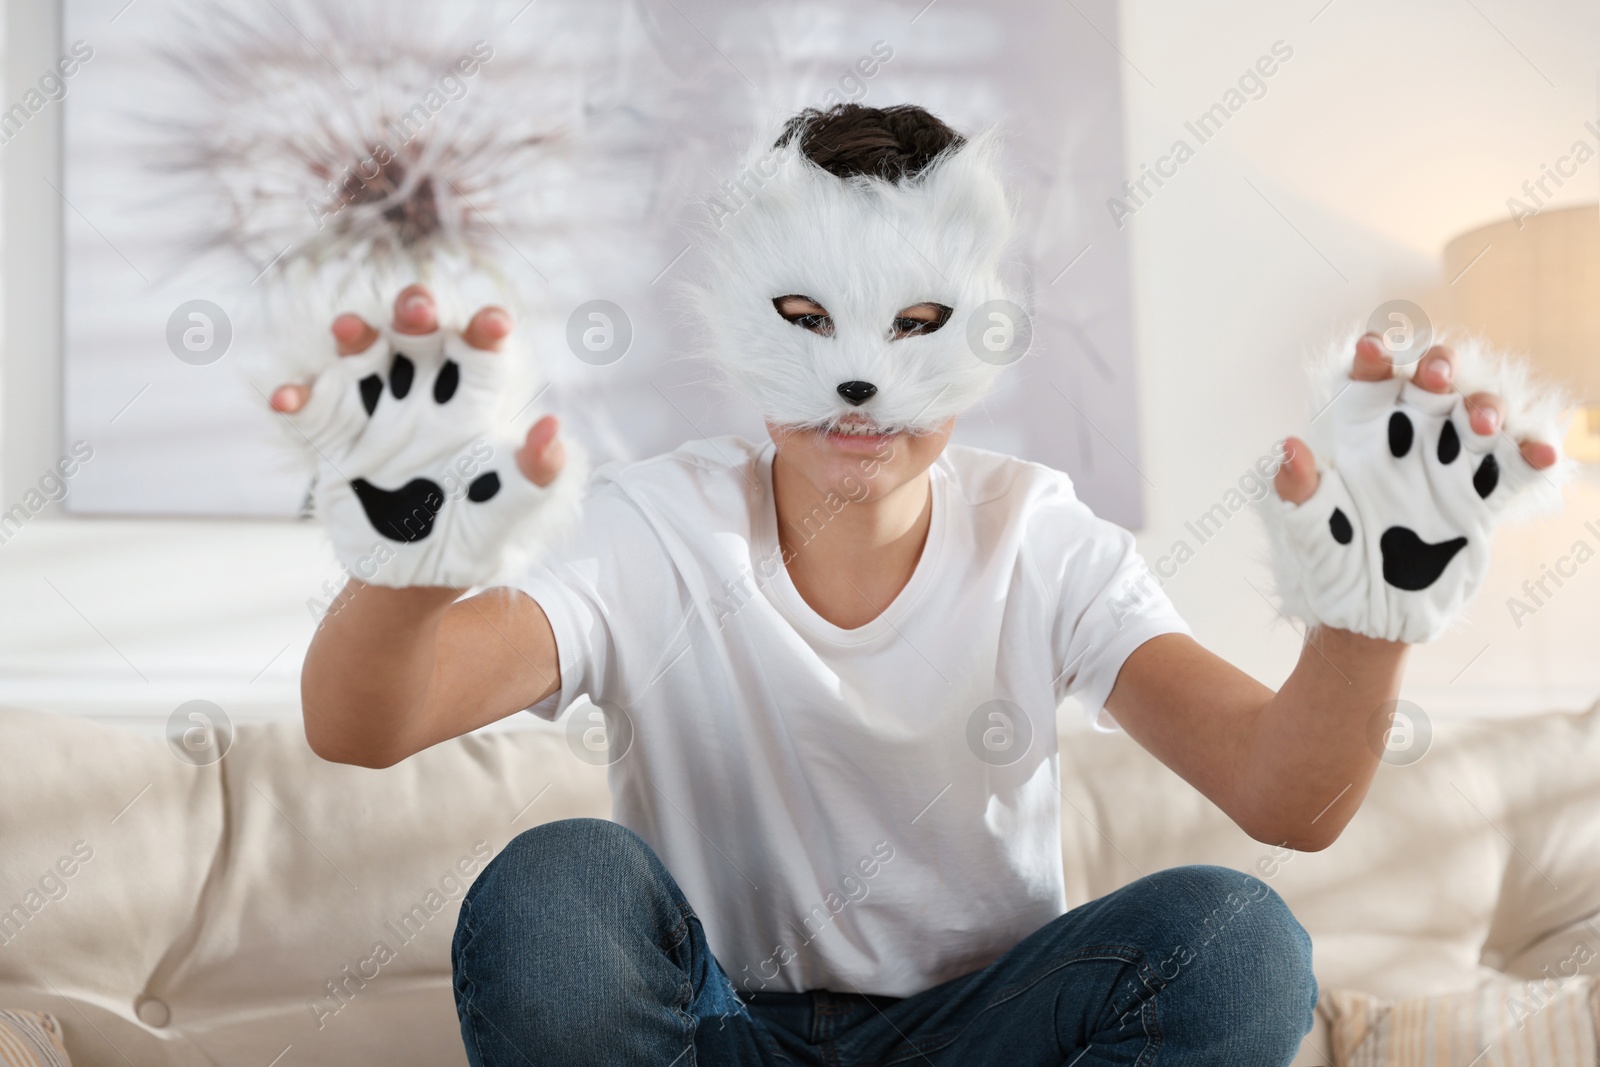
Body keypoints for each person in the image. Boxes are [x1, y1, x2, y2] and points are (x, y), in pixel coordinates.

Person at [269, 104, 1563, 1066]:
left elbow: (1288, 800)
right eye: (806, 316)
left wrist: (1366, 616)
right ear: (738, 323)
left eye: (917, 327)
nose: (858, 382)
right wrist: (406, 570)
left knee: (1237, 937)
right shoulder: (653, 526)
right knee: (553, 890)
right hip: (715, 1031)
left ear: (984, 335)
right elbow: (364, 726)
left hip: (987, 1035)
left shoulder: (1041, 537)